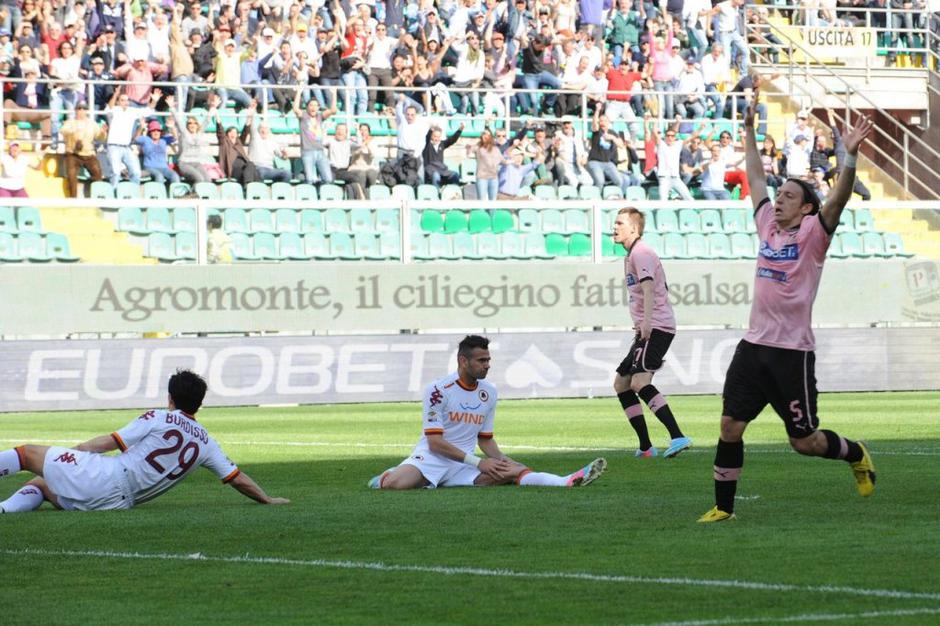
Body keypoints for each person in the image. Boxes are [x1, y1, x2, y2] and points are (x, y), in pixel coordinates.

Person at [698, 91, 876, 523]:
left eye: (789, 196)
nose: (778, 200)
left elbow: (839, 200)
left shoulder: (815, 233)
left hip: (791, 353)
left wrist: (850, 157)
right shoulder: (766, 225)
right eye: (779, 195)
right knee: (729, 426)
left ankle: (855, 452)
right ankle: (723, 508)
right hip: (753, 347)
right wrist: (748, 131)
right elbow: (756, 178)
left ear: (807, 208)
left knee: (804, 442)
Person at [0, 369, 288, 513]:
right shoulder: (207, 443)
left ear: (170, 398)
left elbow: (108, 443)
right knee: (41, 484)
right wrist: (267, 499)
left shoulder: (159, 417)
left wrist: (73, 453)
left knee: (27, 454)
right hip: (117, 503)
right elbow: (237, 478)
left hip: (106, 477)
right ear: (199, 404)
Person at [369, 335, 607, 490]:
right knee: (396, 485)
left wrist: (502, 459)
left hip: (464, 465)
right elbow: (435, 442)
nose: (487, 365)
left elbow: (485, 440)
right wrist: (479, 462)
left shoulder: (489, 392)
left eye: (488, 359)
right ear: (463, 361)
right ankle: (388, 475)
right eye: (481, 360)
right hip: (432, 459)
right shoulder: (438, 390)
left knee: (513, 471)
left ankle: (566, 481)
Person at [611, 208, 692, 458]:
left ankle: (678, 437)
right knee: (622, 383)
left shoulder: (642, 253)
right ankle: (646, 447)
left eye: (620, 223)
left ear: (634, 228)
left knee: (639, 382)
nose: (614, 227)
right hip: (648, 327)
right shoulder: (631, 255)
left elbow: (649, 289)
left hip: (657, 326)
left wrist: (646, 323)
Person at [60, 103, 105, 197]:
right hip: (73, 154)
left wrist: (103, 132)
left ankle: (98, 197)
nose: (81, 110)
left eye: (84, 108)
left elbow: (100, 137)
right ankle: (73, 199)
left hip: (88, 154)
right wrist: (73, 130)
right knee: (71, 175)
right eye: (79, 108)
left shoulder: (92, 123)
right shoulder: (70, 122)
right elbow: (63, 131)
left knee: (98, 174)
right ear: (75, 110)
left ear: (86, 111)